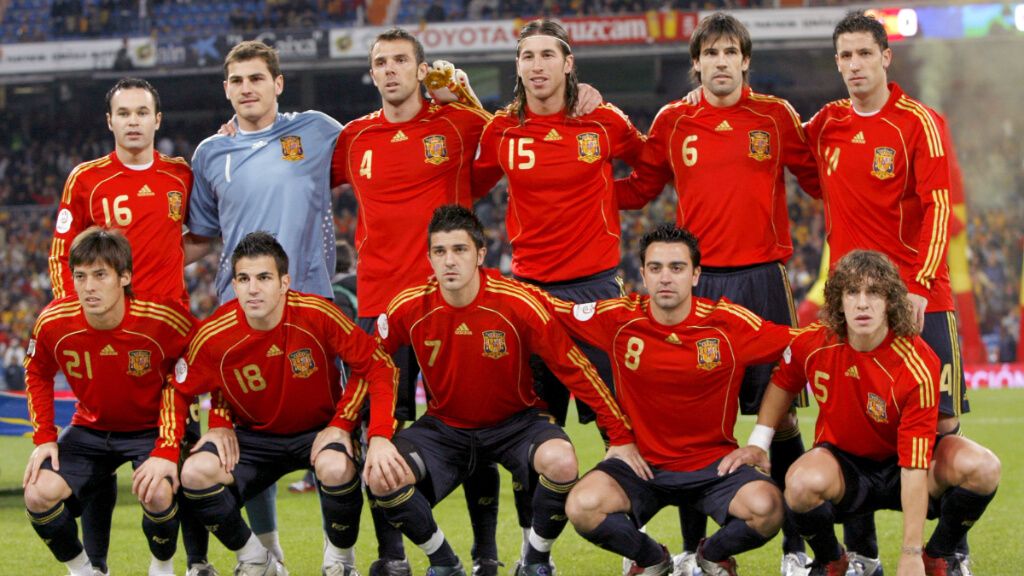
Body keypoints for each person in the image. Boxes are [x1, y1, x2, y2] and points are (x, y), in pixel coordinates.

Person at [615, 14, 821, 573]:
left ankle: (796, 548)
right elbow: (641, 186)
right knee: (696, 422)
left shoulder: (776, 116)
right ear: (697, 63)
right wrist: (575, 189)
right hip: (698, 284)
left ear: (745, 60)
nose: (722, 61)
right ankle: (691, 551)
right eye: (711, 53)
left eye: (731, 52)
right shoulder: (673, 120)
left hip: (763, 280)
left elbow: (818, 178)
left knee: (781, 417)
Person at [367, 205, 638, 576]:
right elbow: (375, 366)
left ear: (480, 254)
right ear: (429, 258)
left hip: (516, 423)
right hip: (446, 426)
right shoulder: (408, 306)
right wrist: (379, 436)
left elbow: (575, 368)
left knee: (561, 461)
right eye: (440, 251)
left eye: (460, 249)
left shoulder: (517, 302)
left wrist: (620, 435)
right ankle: (444, 562)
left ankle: (535, 561)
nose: (449, 261)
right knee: (381, 475)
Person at [328, 28, 499, 576]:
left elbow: (512, 139)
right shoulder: (353, 137)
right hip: (380, 307)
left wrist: (470, 97)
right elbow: (299, 172)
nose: (390, 69)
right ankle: (393, 555)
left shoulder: (458, 123)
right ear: (372, 73)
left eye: (401, 60)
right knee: (383, 430)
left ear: (421, 70)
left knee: (474, 425)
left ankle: (487, 554)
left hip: (452, 303)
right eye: (381, 62)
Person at [804, 12, 968, 573]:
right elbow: (776, 139)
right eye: (845, 56)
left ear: (885, 57)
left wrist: (918, 284)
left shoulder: (918, 122)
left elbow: (940, 207)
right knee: (854, 426)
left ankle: (948, 550)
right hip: (851, 305)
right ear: (837, 63)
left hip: (923, 298)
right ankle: (861, 555)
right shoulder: (827, 124)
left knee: (942, 428)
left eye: (864, 54)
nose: (855, 65)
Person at [548, 224, 796, 576]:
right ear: (643, 275)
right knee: (582, 506)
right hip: (642, 466)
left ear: (695, 275)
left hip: (713, 465)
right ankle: (652, 560)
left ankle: (711, 555)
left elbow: (801, 344)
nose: (665, 277)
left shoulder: (726, 324)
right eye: (656, 268)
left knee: (768, 508)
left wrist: (759, 440)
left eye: (677, 267)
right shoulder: (619, 318)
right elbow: (549, 309)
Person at [735, 250, 1000, 576]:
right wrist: (759, 442)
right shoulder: (815, 342)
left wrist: (911, 554)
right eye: (852, 292)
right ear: (839, 300)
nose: (862, 304)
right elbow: (783, 382)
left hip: (904, 467)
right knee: (800, 483)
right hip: (845, 469)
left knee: (983, 467)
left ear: (890, 301)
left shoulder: (916, 363)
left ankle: (938, 555)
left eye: (874, 292)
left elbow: (914, 465)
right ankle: (832, 560)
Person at [46, 77, 215, 576]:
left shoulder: (180, 175)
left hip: (170, 336)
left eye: (142, 112)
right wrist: (77, 313)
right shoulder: (87, 179)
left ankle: (197, 562)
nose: (134, 121)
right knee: (100, 445)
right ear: (110, 121)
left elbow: (198, 236)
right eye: (124, 113)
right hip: (108, 335)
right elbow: (61, 253)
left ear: (157, 120)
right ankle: (96, 564)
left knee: (182, 449)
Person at [185, 39, 344, 563]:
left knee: (332, 431)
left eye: (256, 78)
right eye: (236, 80)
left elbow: (376, 153)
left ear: (278, 83)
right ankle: (266, 555)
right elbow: (202, 235)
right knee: (251, 432)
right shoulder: (210, 153)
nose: (246, 88)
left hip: (311, 307)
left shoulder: (318, 130)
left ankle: (337, 554)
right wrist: (132, 266)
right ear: (225, 89)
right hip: (241, 311)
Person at [174, 231, 407, 576]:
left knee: (335, 468)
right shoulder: (214, 333)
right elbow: (178, 388)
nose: (253, 289)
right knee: (194, 473)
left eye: (264, 278)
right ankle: (257, 560)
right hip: (253, 437)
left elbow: (378, 365)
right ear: (234, 285)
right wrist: (209, 430)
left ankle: (340, 560)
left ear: (284, 283)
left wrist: (346, 424)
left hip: (318, 431)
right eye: (244, 279)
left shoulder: (317, 314)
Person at [472, 18, 645, 433]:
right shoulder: (502, 130)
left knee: (619, 425)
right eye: (528, 56)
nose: (537, 65)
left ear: (568, 63)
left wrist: (610, 196)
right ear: (517, 66)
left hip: (596, 291)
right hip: (532, 295)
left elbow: (652, 168)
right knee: (535, 431)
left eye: (548, 55)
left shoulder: (603, 119)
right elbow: (468, 187)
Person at [23, 227, 192, 576]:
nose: (89, 286)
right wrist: (44, 438)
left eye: (100, 275)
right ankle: (84, 570)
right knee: (37, 493)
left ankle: (162, 566)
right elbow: (36, 371)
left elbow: (203, 359)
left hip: (150, 428)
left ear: (124, 277)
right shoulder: (54, 321)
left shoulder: (162, 318)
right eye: (80, 276)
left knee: (158, 493)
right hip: (90, 427)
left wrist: (171, 444)